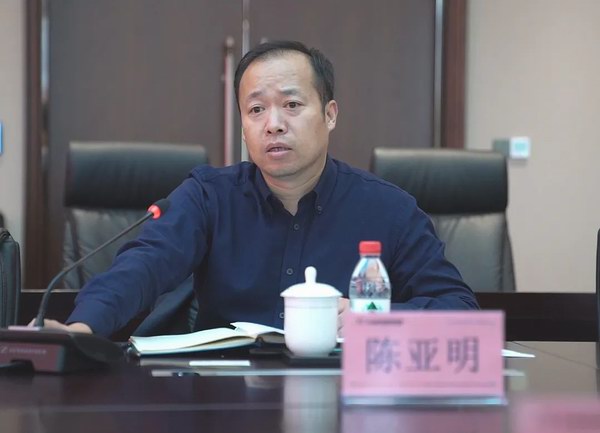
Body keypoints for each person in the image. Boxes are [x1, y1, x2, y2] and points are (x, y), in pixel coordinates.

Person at [39, 40, 479, 337]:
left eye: (292, 104)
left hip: (345, 401)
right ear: (244, 125)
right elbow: (143, 266)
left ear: (329, 115)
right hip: (224, 397)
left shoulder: (389, 209)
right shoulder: (209, 196)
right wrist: (83, 328)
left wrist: (374, 320)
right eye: (256, 110)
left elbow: (459, 309)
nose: (273, 124)